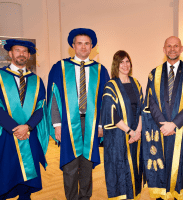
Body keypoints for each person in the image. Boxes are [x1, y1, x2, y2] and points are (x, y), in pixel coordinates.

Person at [47, 28, 110, 200]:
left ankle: (85, 197)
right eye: (79, 43)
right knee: (70, 166)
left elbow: (106, 100)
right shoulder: (60, 67)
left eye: (86, 43)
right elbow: (53, 97)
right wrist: (57, 125)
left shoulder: (100, 70)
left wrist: (101, 124)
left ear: (92, 47)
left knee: (87, 165)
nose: (83, 47)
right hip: (67, 123)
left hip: (92, 123)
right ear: (73, 46)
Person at [142, 36, 183, 200]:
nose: (172, 49)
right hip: (160, 129)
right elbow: (150, 101)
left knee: (179, 171)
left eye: (176, 46)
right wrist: (164, 124)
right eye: (169, 46)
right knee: (161, 168)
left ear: (181, 49)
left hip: (182, 129)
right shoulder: (154, 74)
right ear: (164, 49)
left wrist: (174, 124)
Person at [0, 39, 49, 200]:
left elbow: (41, 108)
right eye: (17, 50)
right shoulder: (0, 77)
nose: (21, 54)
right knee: (5, 175)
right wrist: (15, 128)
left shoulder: (37, 80)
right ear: (10, 53)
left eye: (24, 51)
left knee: (27, 182)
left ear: (29, 55)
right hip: (6, 135)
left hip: (29, 134)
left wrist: (27, 126)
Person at [101, 50, 143, 199]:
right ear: (116, 65)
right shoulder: (110, 86)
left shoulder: (136, 83)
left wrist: (138, 131)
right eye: (121, 62)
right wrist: (130, 132)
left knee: (133, 169)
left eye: (127, 61)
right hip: (118, 136)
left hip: (135, 135)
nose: (125, 65)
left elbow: (141, 109)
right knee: (119, 169)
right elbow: (111, 114)